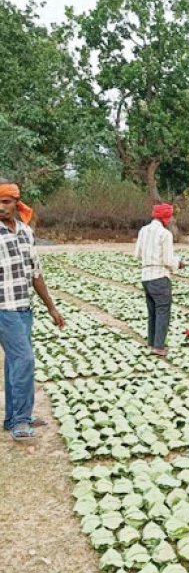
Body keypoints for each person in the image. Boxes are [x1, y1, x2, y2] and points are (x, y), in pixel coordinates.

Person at [0, 180, 64, 441]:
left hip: (24, 307)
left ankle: (13, 417)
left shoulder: (25, 231)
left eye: (6, 202)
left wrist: (52, 308)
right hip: (4, 308)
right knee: (24, 360)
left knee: (15, 362)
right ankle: (22, 420)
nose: (2, 207)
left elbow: (35, 273)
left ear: (16, 203)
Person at [134, 203, 183, 356]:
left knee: (152, 311)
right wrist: (179, 263)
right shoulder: (165, 234)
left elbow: (137, 254)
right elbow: (168, 260)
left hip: (146, 276)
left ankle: (152, 342)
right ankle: (159, 347)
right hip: (160, 276)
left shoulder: (143, 230)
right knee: (163, 310)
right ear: (166, 218)